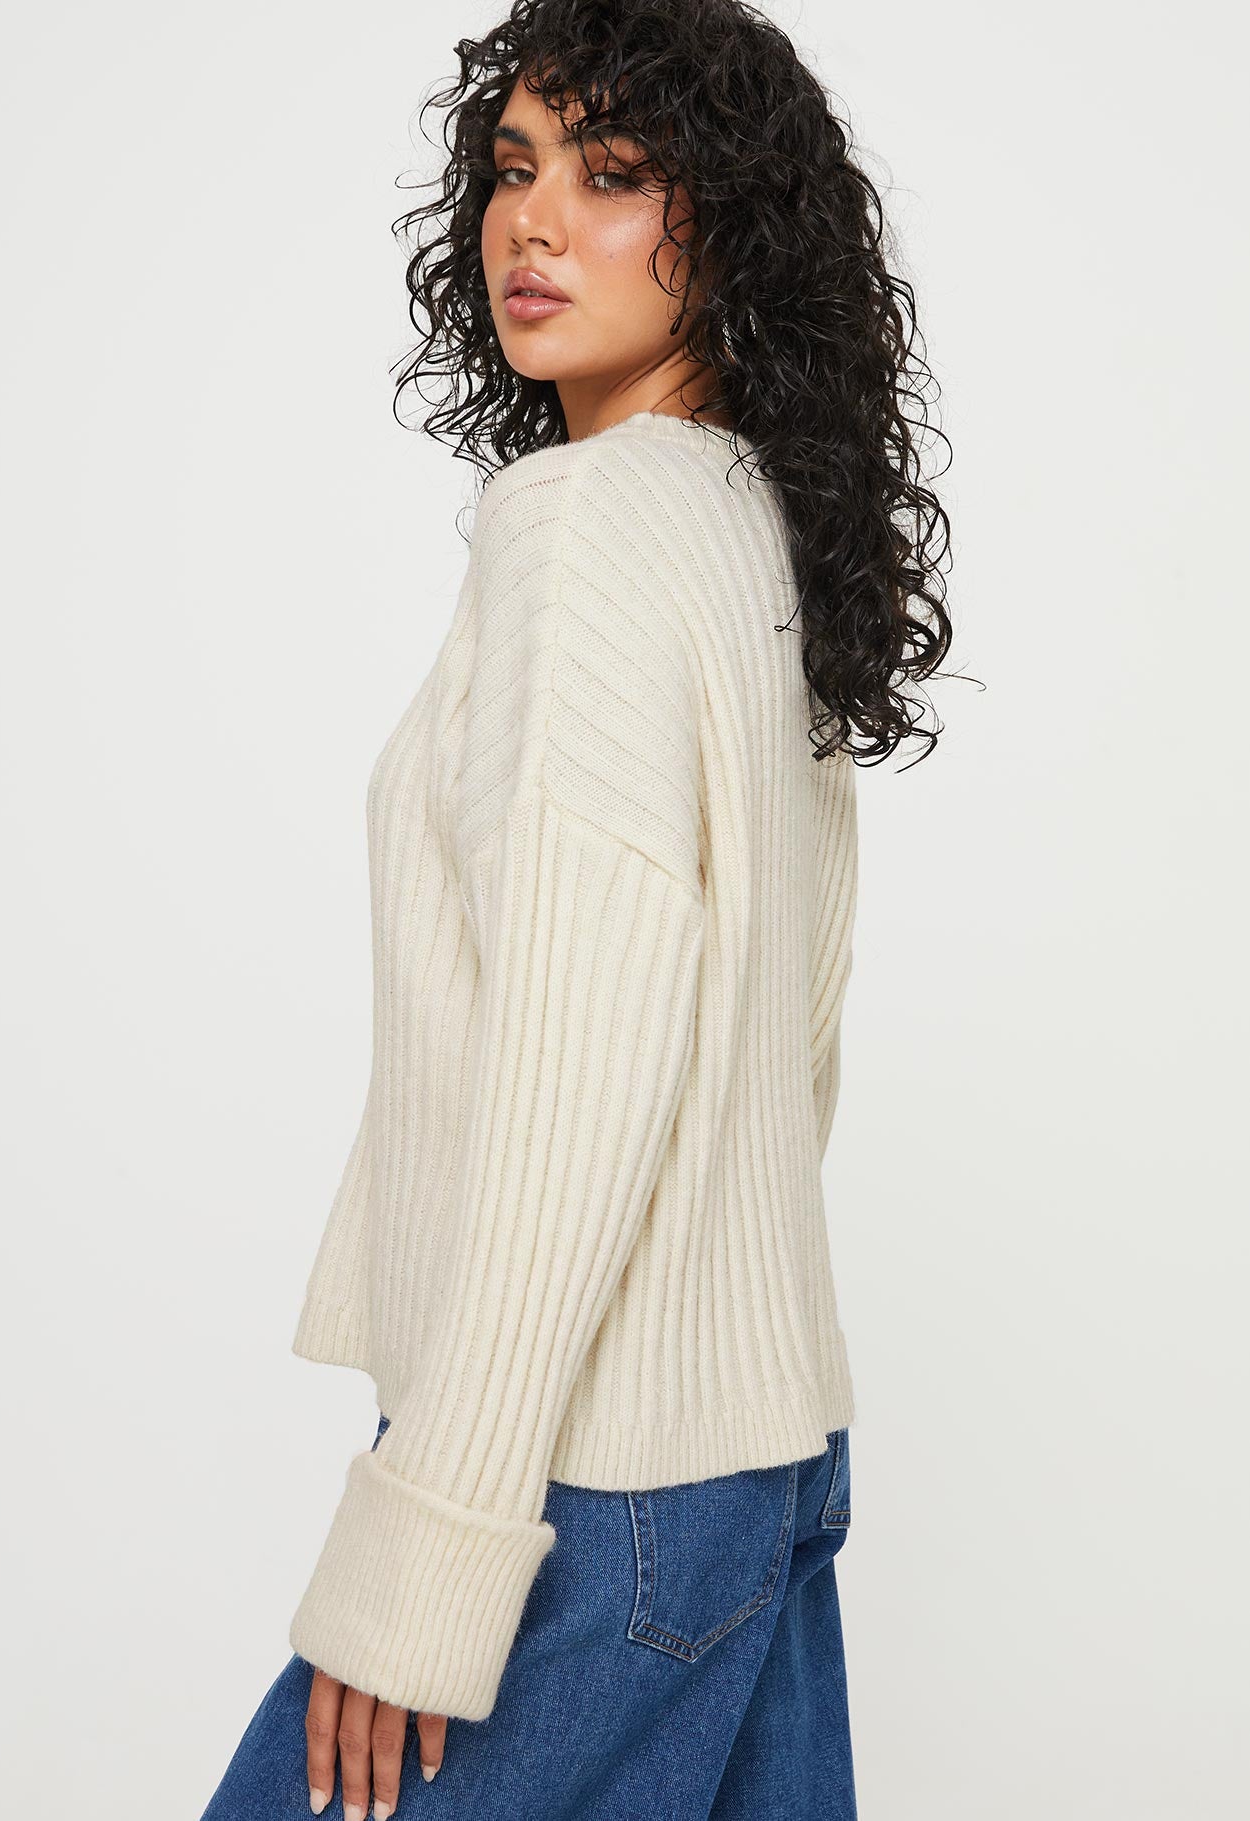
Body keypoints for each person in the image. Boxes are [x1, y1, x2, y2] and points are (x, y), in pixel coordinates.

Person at [201, 2, 953, 1816]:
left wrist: (438, 1525)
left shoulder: (589, 525)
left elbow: (579, 1072)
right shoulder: (751, 534)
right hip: (755, 1447)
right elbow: (787, 1032)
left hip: (587, 1483)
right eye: (512, 168)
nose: (530, 222)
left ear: (733, 234)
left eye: (610, 176)